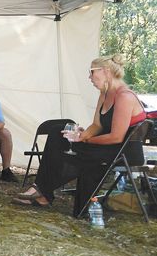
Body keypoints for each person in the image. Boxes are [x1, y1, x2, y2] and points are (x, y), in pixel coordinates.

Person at [14, 54, 147, 215]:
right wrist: (82, 136)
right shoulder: (104, 94)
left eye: (92, 72)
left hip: (123, 150)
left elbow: (116, 137)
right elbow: (97, 125)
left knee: (71, 153)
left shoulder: (124, 97)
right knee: (58, 131)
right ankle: (41, 190)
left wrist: (87, 140)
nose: (89, 77)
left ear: (105, 71)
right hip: (107, 145)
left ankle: (43, 191)